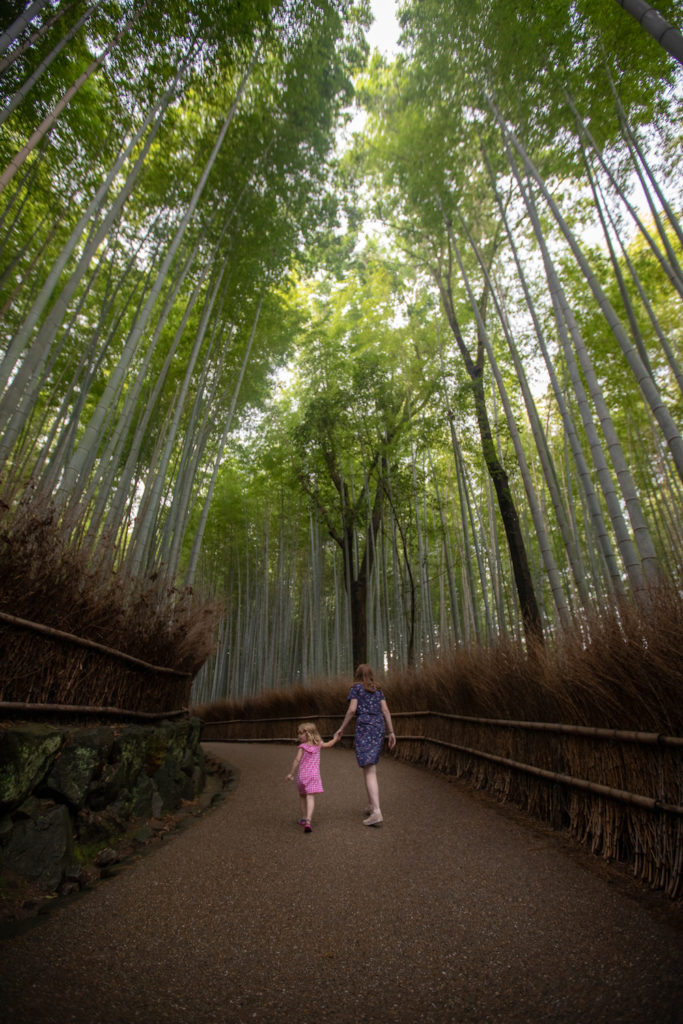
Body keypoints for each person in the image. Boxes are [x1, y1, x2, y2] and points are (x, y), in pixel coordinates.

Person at [333, 664, 396, 826]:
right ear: (371, 674)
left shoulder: (356, 688)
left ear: (357, 675)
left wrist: (341, 728)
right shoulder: (377, 689)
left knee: (369, 769)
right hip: (379, 727)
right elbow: (386, 711)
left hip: (365, 727)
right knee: (368, 766)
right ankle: (371, 805)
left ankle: (376, 811)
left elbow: (352, 710)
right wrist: (391, 732)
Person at [285, 721, 338, 832]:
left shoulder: (302, 747)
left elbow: (296, 760)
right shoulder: (318, 744)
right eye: (298, 734)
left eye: (301, 734)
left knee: (302, 797)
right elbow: (329, 744)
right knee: (310, 797)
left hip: (302, 776)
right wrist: (336, 738)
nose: (299, 736)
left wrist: (291, 773)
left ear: (308, 734)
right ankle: (309, 820)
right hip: (313, 776)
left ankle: (304, 818)